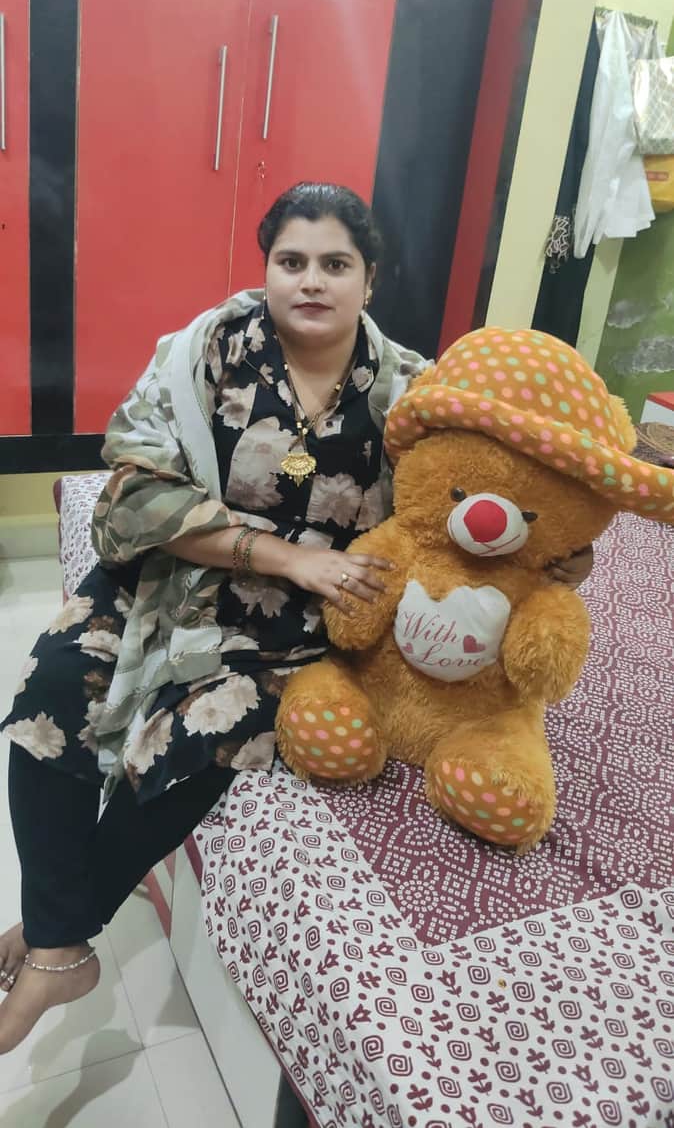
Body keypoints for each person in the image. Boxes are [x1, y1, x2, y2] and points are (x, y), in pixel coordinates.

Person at [0, 182, 592, 1053]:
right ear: (268, 269)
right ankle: (59, 937)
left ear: (369, 279)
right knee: (48, 695)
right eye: (292, 261)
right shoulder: (205, 352)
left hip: (301, 621)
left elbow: (476, 499)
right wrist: (285, 555)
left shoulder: (414, 394)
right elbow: (130, 493)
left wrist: (559, 555)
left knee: (205, 736)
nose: (311, 281)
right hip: (169, 578)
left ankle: (56, 937)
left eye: (335, 264)